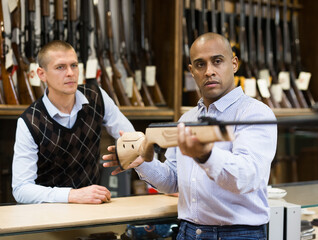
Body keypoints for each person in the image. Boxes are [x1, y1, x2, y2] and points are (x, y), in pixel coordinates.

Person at [103, 32, 277, 239]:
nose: (209, 71)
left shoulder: (255, 113)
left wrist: (206, 156)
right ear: (191, 71)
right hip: (188, 231)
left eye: (217, 61)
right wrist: (142, 162)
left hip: (238, 234)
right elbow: (173, 181)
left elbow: (247, 178)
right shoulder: (187, 118)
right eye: (200, 64)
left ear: (234, 64)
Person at [12, 40, 134, 204]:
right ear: (41, 74)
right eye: (60, 67)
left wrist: (128, 152)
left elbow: (130, 137)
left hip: (93, 210)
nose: (70, 73)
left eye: (74, 65)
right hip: (47, 218)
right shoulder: (29, 121)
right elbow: (21, 189)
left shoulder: (96, 97)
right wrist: (72, 195)